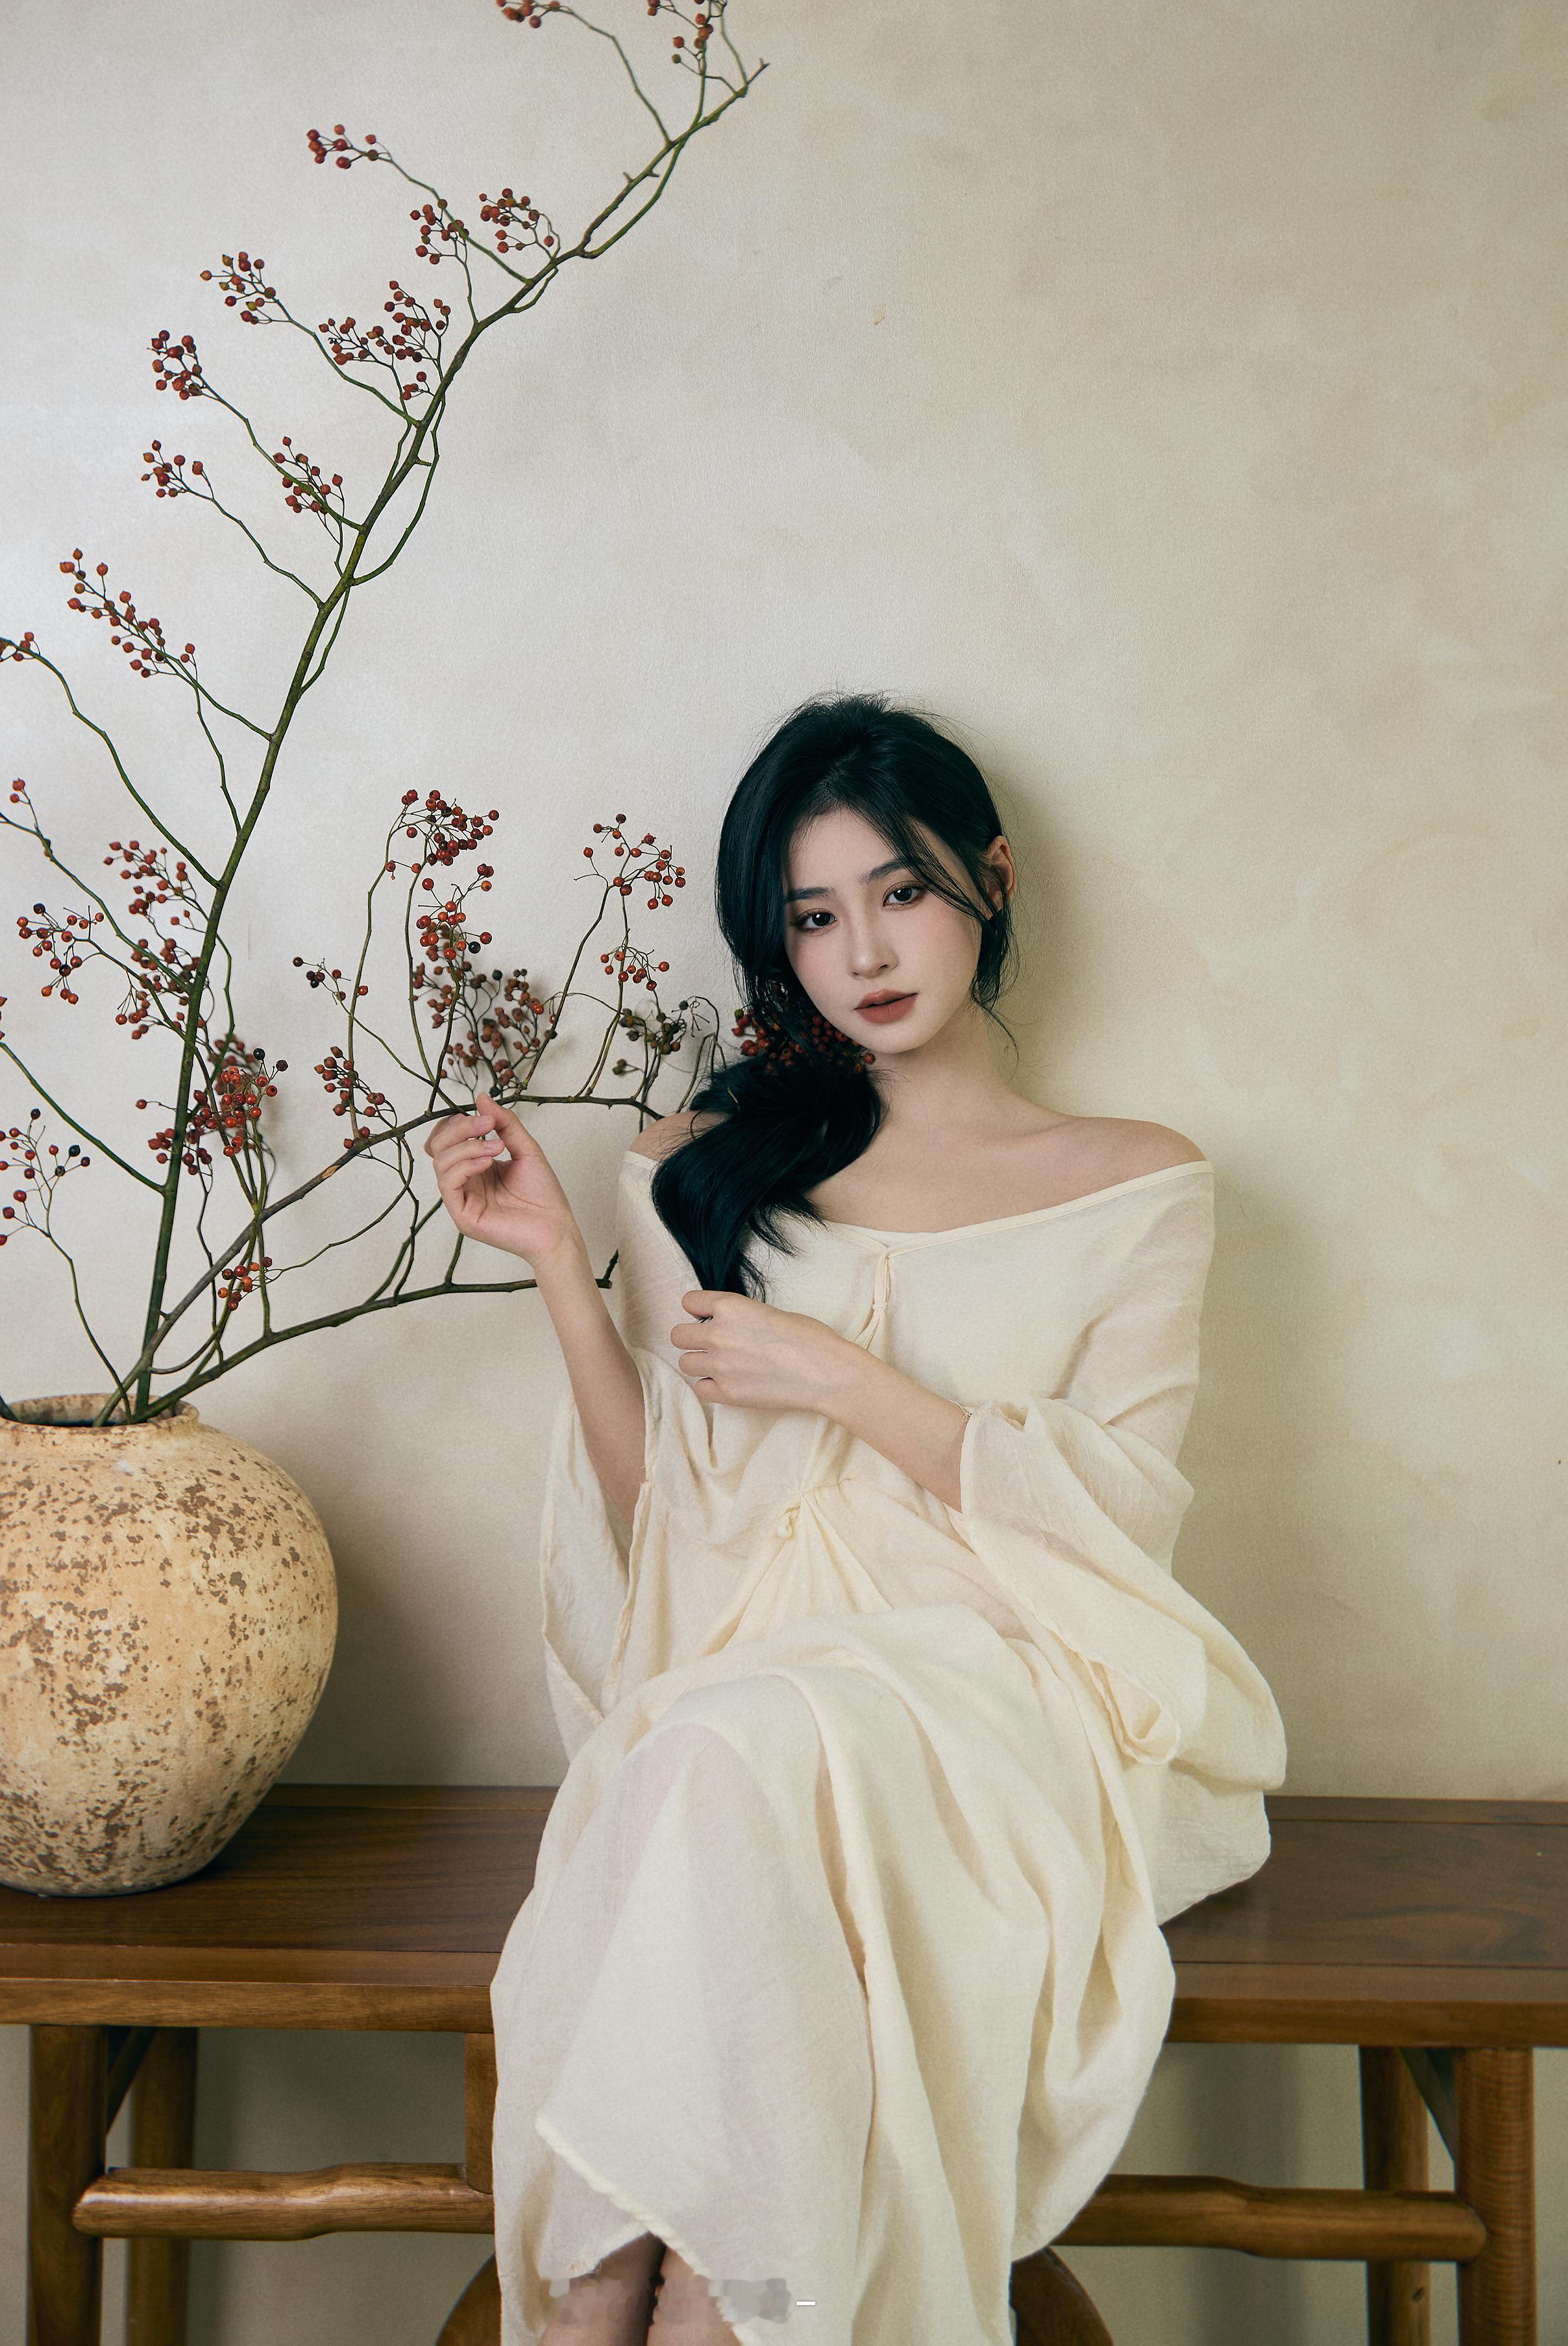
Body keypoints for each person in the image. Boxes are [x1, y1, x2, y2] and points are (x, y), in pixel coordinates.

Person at [424, 693, 1285, 2346]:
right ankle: (699, 2306)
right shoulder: (702, 1172)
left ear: (990, 880)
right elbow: (666, 1523)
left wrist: (843, 1378)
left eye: (898, 891)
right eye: (813, 917)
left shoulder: (1133, 1181)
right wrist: (555, 1267)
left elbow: (1113, 1531)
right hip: (752, 1700)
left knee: (718, 1759)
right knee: (713, 1754)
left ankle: (627, 2305)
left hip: (1000, 1694)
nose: (864, 952)